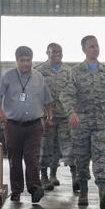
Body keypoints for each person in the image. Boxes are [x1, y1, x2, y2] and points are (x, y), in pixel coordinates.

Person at [60, 35, 105, 209]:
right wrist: (71, 113)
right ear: (84, 49)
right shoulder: (75, 72)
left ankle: (103, 191)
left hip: (102, 123)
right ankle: (84, 191)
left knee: (102, 156)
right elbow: (66, 95)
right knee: (82, 158)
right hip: (81, 124)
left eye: (97, 45)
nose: (96, 49)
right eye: (91, 46)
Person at [0, 46, 53, 203]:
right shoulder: (8, 77)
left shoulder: (39, 77)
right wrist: (0, 112)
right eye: (22, 60)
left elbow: (47, 99)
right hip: (13, 125)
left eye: (28, 60)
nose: (25, 64)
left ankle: (34, 189)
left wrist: (50, 115)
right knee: (15, 159)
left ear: (32, 60)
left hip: (34, 125)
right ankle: (17, 190)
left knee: (32, 157)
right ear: (16, 60)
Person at [34, 43, 77, 192]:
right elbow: (36, 95)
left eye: (60, 51)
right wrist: (42, 114)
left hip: (65, 116)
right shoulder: (39, 71)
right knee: (46, 147)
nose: (57, 54)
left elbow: (74, 94)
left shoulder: (69, 71)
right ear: (47, 52)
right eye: (54, 52)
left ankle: (67, 176)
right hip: (47, 117)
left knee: (67, 147)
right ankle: (44, 177)